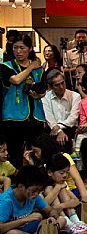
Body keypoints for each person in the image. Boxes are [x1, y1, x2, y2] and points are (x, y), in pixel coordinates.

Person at [26, 134, 87, 216]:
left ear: (45, 149)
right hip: (54, 194)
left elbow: (77, 179)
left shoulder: (63, 157)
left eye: (36, 151)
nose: (35, 155)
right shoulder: (38, 163)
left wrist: (85, 201)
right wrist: (31, 165)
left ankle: (83, 207)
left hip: (71, 192)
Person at [0, 34, 48, 168]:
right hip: (14, 117)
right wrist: (31, 67)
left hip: (35, 116)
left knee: (38, 152)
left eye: (22, 48)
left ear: (30, 48)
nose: (18, 51)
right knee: (15, 153)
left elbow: (43, 89)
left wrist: (39, 94)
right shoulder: (6, 66)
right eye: (15, 48)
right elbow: (15, 80)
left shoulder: (39, 69)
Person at [0, 165, 67, 234]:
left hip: (31, 229)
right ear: (21, 186)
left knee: (61, 220)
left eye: (38, 191)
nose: (36, 194)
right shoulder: (6, 201)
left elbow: (50, 210)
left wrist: (53, 218)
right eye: (33, 191)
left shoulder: (34, 196)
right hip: (17, 231)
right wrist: (25, 220)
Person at [43, 153, 87, 234]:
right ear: (50, 172)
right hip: (51, 216)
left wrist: (61, 206)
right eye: (61, 173)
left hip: (60, 210)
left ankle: (75, 221)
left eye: (67, 172)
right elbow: (43, 205)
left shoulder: (61, 185)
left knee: (62, 189)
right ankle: (67, 224)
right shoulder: (45, 186)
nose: (65, 176)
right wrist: (57, 188)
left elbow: (76, 201)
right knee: (51, 189)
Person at [43, 69, 81, 152]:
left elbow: (73, 118)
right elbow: (49, 117)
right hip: (52, 128)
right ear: (51, 86)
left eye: (62, 83)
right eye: (57, 85)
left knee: (65, 140)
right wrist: (58, 131)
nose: (61, 87)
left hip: (70, 128)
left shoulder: (75, 96)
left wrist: (58, 128)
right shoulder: (45, 97)